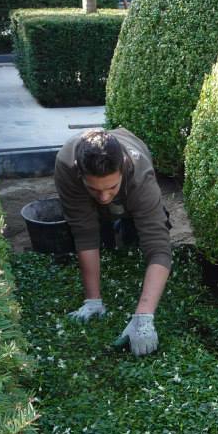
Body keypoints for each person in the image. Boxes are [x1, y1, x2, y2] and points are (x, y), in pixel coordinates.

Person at [55, 128, 172, 356]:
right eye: (94, 189)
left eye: (111, 187)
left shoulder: (139, 174)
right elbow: (84, 231)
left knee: (137, 235)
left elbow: (159, 246)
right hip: (83, 188)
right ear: (80, 174)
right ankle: (94, 300)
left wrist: (144, 317)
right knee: (96, 228)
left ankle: (123, 218)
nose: (105, 197)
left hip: (134, 188)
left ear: (122, 171)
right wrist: (93, 300)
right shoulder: (66, 165)